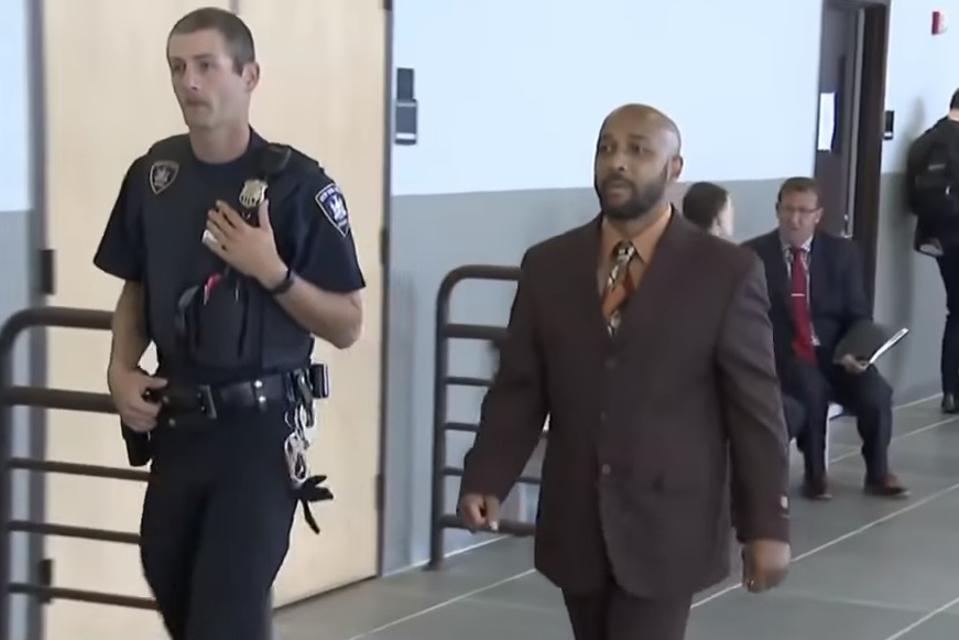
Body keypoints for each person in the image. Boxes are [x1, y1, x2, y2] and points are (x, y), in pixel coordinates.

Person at [457, 104, 791, 640]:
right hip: (577, 520)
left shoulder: (725, 272)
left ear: (674, 168)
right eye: (606, 148)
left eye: (638, 150)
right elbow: (520, 387)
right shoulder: (549, 265)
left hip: (669, 523)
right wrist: (487, 476)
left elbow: (755, 408)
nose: (618, 162)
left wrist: (766, 524)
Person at [92, 8, 365, 639]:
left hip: (257, 434)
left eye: (206, 66)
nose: (189, 82)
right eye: (177, 68)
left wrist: (272, 271)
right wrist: (120, 369)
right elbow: (137, 286)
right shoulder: (154, 175)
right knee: (169, 575)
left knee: (225, 613)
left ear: (249, 76)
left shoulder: (298, 186)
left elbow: (348, 323)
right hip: (177, 427)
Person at [744, 177, 907, 501]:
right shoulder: (753, 255)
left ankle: (878, 472)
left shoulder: (842, 253)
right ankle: (815, 475)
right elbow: (747, 318)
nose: (794, 219)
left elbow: (858, 314)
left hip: (835, 352)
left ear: (818, 215)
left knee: (876, 393)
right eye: (788, 210)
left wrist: (856, 352)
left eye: (803, 211)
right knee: (810, 389)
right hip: (785, 353)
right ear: (777, 210)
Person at [906, 89, 959, 413]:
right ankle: (953, 391)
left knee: (956, 311)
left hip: (937, 240)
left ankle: (950, 391)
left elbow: (912, 200)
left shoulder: (924, 142)